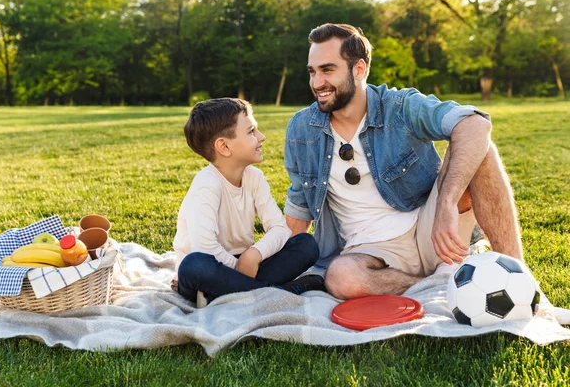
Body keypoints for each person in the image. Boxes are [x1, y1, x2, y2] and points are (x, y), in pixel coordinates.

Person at [283, 23, 524, 300]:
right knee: (341, 278)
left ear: (359, 69)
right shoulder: (302, 129)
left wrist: (446, 204)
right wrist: (279, 265)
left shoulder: (399, 106)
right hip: (369, 253)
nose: (316, 83)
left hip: (432, 229)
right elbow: (299, 205)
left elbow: (474, 123)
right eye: (312, 72)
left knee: (482, 152)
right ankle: (443, 282)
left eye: (327, 70)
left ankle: (520, 278)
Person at [174, 98, 325, 308]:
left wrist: (254, 254)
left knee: (306, 244)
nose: (261, 137)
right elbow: (205, 249)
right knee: (194, 265)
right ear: (224, 146)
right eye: (252, 131)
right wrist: (239, 268)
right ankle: (278, 292)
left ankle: (232, 294)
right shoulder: (206, 185)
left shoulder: (254, 177)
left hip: (246, 263)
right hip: (210, 269)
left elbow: (280, 229)